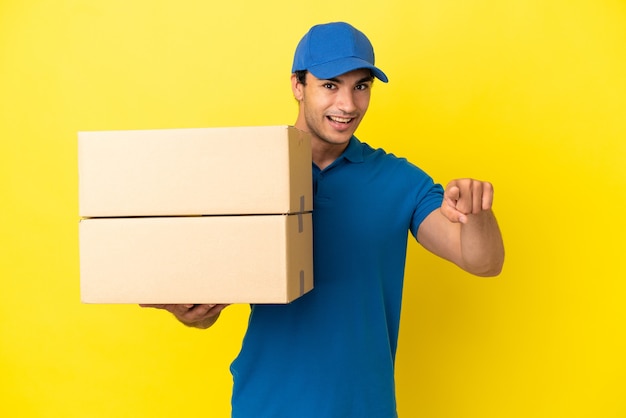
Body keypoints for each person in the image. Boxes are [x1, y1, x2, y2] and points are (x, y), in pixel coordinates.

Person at [141, 21, 504, 417]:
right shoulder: (251, 170)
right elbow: (208, 300)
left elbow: (483, 262)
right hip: (265, 403)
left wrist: (477, 214)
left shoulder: (400, 181)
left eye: (360, 86)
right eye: (331, 85)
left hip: (364, 407)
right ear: (298, 85)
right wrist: (190, 312)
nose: (348, 105)